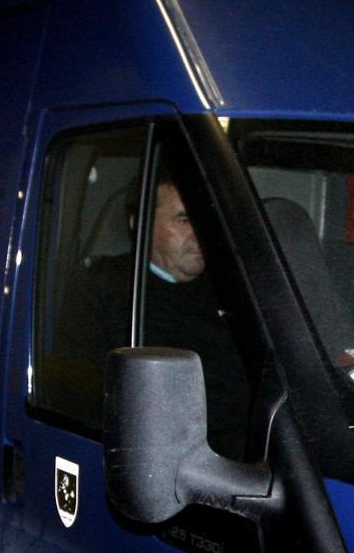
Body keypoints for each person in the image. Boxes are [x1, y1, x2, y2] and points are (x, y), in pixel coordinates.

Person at [62, 177, 251, 455]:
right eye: (184, 220)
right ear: (139, 224)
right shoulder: (102, 289)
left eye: (205, 218)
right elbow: (79, 393)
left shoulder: (233, 288)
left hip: (245, 453)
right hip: (157, 456)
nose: (199, 232)